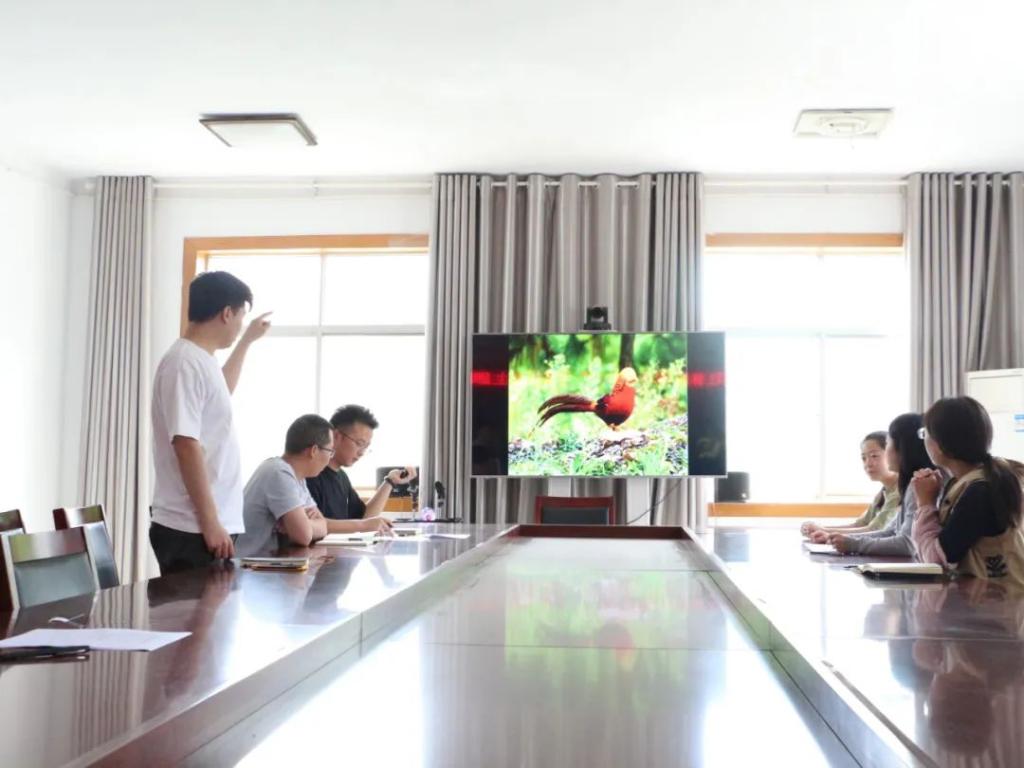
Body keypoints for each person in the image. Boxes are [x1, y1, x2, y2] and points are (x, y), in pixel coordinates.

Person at [150, 271, 271, 574]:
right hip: (191, 527)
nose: (240, 326)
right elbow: (185, 444)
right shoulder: (183, 362)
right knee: (195, 607)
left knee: (215, 605)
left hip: (208, 524)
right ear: (227, 313)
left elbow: (222, 391)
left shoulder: (202, 359)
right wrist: (210, 522)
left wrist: (246, 341)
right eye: (241, 317)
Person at [238, 414, 395, 557]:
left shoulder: (298, 479)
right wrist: (305, 526)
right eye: (330, 451)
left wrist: (304, 525)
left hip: (269, 566)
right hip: (247, 570)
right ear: (314, 450)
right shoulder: (278, 472)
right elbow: (304, 536)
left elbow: (323, 526)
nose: (330, 458)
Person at [911, 396, 1024, 588]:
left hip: (999, 601)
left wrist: (925, 504)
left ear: (941, 445)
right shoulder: (976, 480)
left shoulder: (980, 491)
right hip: (988, 597)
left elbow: (935, 561)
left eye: (925, 434)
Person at [830, 413, 937, 556]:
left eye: (888, 444)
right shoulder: (908, 485)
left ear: (903, 448)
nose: (886, 452)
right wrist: (843, 539)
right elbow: (891, 531)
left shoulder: (921, 483)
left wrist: (853, 544)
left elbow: (907, 544)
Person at [306, 404, 417, 521]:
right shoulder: (310, 475)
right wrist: (362, 525)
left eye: (366, 447)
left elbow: (364, 517)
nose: (361, 453)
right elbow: (314, 525)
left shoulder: (341, 477)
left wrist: (390, 482)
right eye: (359, 443)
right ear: (336, 436)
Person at [801, 431, 900, 543]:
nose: (868, 463)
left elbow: (875, 530)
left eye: (874, 456)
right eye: (864, 458)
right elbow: (860, 524)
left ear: (892, 454)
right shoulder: (883, 492)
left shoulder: (900, 492)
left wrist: (824, 531)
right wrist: (820, 529)